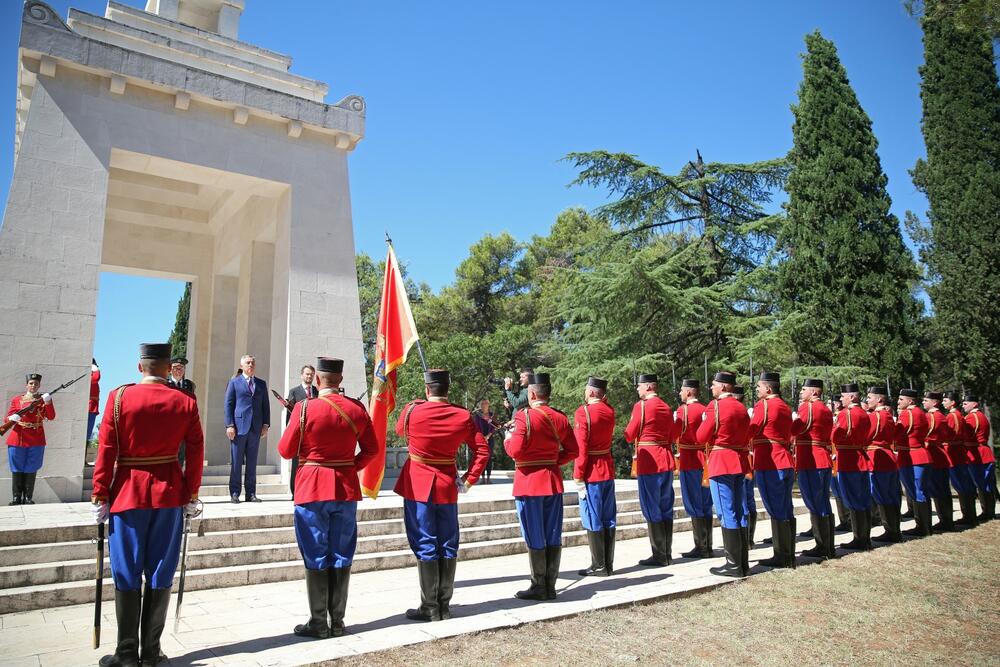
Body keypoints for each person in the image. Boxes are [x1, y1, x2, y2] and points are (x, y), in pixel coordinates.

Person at [91, 343, 204, 667]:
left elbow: (107, 449)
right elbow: (195, 451)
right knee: (160, 570)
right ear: (169, 368)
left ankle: (127, 654)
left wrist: (100, 493)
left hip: (127, 493)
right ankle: (151, 653)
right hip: (168, 494)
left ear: (140, 367)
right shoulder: (184, 401)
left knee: (127, 571)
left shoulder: (119, 398)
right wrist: (191, 493)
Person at [275, 357, 376, 639]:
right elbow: (371, 450)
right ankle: (338, 622)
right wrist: (348, 468)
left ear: (317, 380)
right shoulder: (356, 409)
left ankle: (319, 622)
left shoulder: (305, 408)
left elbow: (285, 450)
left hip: (312, 488)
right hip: (344, 489)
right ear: (340, 380)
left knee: (314, 552)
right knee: (342, 552)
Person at [395, 369, 490, 621]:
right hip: (447, 485)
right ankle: (444, 605)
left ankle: (429, 607)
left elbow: (398, 431)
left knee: (425, 541)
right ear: (448, 389)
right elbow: (482, 451)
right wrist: (469, 479)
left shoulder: (412, 411)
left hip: (418, 484)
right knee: (448, 542)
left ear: (427, 389)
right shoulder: (462, 415)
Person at [503, 372, 578, 601]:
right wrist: (553, 461)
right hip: (552, 480)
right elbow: (573, 451)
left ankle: (538, 585)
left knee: (534, 535)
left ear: (532, 393)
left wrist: (507, 439)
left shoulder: (524, 417)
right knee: (552, 534)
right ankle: (550, 585)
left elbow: (514, 451)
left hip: (528, 482)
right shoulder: (560, 418)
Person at [697, 372, 751, 578]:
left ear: (724, 387)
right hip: (738, 460)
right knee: (738, 511)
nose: (711, 388)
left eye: (714, 385)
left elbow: (701, 436)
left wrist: (705, 421)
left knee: (725, 512)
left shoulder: (716, 407)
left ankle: (733, 565)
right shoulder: (740, 407)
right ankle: (742, 562)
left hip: (721, 461)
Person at [624, 373, 677, 567]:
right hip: (665, 458)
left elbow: (630, 434)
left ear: (648, 387)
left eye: (639, 386)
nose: (637, 389)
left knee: (651, 507)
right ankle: (667, 552)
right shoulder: (665, 406)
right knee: (665, 506)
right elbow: (672, 434)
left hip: (650, 460)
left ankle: (659, 555)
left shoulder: (642, 406)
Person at [749, 372, 796, 569]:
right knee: (785, 508)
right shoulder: (785, 407)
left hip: (770, 462)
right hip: (784, 459)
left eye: (759, 386)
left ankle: (782, 556)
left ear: (768, 389)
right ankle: (788, 553)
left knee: (776, 508)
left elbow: (751, 430)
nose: (757, 390)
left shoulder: (765, 405)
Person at [573, 376, 617, 577]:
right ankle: (608, 564)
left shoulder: (584, 413)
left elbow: (581, 448)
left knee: (592, 517)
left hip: (591, 471)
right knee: (608, 518)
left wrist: (578, 475)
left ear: (591, 392)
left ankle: (598, 565)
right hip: (607, 468)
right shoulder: (609, 411)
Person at [791, 379, 836, 559]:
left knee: (814, 503)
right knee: (823, 502)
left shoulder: (808, 408)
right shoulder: (826, 410)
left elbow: (796, 429)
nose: (801, 392)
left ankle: (822, 546)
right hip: (822, 457)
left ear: (814, 393)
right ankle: (828, 546)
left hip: (811, 460)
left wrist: (791, 421)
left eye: (804, 389)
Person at [224, 354, 270, 503]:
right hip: (238, 427)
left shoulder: (261, 384)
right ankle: (235, 492)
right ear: (242, 365)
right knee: (237, 462)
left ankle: (251, 493)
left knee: (252, 462)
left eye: (252, 363)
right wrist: (229, 425)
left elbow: (265, 406)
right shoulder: (234, 382)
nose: (251, 365)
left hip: (255, 428)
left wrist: (265, 424)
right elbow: (228, 405)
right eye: (248, 363)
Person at [832, 383, 872, 551]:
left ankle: (859, 539)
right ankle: (864, 538)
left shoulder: (846, 414)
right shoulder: (863, 414)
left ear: (853, 397)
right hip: (860, 456)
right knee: (862, 500)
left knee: (853, 500)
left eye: (843, 396)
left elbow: (836, 435)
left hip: (849, 459)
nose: (841, 399)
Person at [675, 379, 713, 559]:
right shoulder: (706, 409)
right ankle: (708, 545)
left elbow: (674, 434)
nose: (680, 394)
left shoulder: (684, 410)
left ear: (689, 392)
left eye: (682, 391)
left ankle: (701, 547)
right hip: (705, 459)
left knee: (693, 502)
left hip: (690, 459)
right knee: (706, 503)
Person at [6, 372, 55, 505]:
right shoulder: (17, 400)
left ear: (39, 386)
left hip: (36, 437)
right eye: (31, 383)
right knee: (16, 467)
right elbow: (8, 417)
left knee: (31, 466)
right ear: (26, 385)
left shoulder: (43, 400)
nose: (33, 385)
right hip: (18, 437)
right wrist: (12, 418)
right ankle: (16, 497)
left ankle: (28, 497)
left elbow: (51, 416)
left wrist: (48, 402)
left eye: (36, 384)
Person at [866, 387, 901, 542]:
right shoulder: (887, 415)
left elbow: (868, 435)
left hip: (877, 457)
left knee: (881, 495)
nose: (867, 400)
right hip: (887, 455)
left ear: (879, 400)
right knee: (890, 495)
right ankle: (894, 529)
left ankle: (890, 531)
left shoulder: (876, 416)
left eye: (869, 397)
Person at [896, 388, 933, 536]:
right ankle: (925, 526)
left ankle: (922, 527)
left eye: (901, 399)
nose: (898, 402)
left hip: (911, 455)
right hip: (919, 453)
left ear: (910, 401)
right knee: (920, 491)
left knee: (917, 491)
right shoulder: (920, 413)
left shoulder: (908, 414)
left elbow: (898, 433)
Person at [943, 390, 978, 526]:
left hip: (953, 452)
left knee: (961, 485)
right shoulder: (958, 415)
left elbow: (948, 434)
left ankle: (968, 516)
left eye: (946, 401)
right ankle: (969, 515)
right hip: (958, 451)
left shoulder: (952, 416)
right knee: (962, 485)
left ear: (952, 403)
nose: (943, 403)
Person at [922, 390, 955, 532]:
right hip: (938, 454)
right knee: (940, 489)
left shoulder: (933, 416)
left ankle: (945, 521)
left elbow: (927, 434)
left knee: (938, 489)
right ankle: (946, 520)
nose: (923, 402)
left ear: (934, 402)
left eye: (926, 400)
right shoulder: (940, 415)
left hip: (934, 454)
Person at [284, 365, 319, 496]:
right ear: (302, 375)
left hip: (314, 435)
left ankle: (311, 491)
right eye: (307, 374)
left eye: (311, 374)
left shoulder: (317, 392)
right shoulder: (294, 392)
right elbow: (289, 415)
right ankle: (295, 492)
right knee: (296, 464)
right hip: (299, 434)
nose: (309, 376)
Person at [963, 393, 995, 521]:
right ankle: (988, 511)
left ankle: (987, 512)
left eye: (966, 403)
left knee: (981, 484)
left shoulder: (972, 417)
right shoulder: (981, 416)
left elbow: (966, 436)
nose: (963, 406)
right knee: (985, 484)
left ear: (974, 404)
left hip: (976, 453)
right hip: (984, 451)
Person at [732, 385, 758, 546]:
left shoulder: (739, 412)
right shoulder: (744, 412)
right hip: (747, 459)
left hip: (744, 459)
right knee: (748, 499)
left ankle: (747, 539)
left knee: (744, 500)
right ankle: (748, 539)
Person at [471, 399, 497, 484]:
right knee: (482, 458)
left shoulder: (492, 415)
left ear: (488, 405)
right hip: (481, 439)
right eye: (482, 403)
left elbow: (495, 426)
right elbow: (476, 426)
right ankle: (482, 478)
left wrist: (488, 436)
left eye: (486, 403)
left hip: (490, 438)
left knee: (489, 458)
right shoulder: (478, 415)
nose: (484, 405)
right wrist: (482, 437)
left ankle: (488, 477)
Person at [88, 359, 101, 444]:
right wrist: (95, 369)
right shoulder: (91, 375)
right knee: (86, 435)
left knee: (88, 435)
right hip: (88, 408)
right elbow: (95, 378)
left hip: (92, 408)